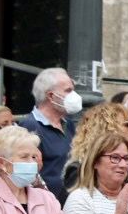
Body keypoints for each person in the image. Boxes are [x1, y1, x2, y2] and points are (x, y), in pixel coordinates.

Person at [16, 67, 82, 201]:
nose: (74, 95)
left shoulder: (68, 124)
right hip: (46, 205)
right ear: (51, 96)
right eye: (68, 90)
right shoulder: (30, 126)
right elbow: (27, 176)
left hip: (72, 202)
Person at [63, 103, 128, 193]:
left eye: (127, 159)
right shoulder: (79, 172)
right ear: (107, 129)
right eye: (127, 125)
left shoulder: (126, 168)